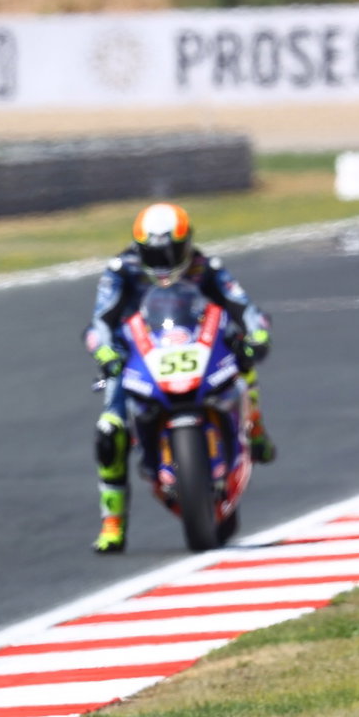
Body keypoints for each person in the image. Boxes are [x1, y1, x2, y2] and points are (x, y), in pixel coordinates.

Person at [85, 202, 276, 554]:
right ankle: (112, 522)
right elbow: (100, 321)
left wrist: (257, 334)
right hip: (139, 355)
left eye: (172, 251)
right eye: (154, 253)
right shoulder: (120, 270)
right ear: (139, 247)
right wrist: (104, 351)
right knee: (109, 430)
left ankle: (256, 428)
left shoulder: (207, 267)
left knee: (241, 356)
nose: (164, 261)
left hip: (197, 345)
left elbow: (244, 307)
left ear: (187, 243)